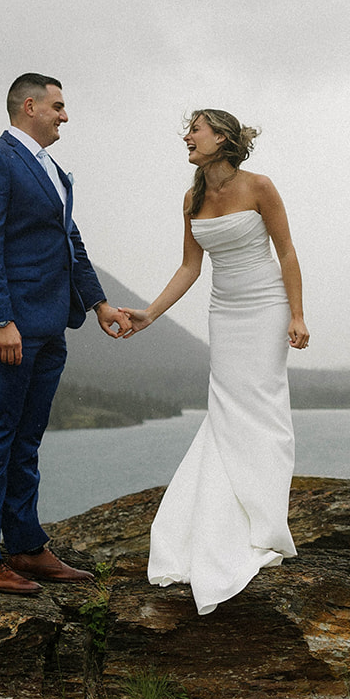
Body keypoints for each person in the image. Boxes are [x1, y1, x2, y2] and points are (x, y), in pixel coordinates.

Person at [0, 73, 133, 594]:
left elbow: (70, 242)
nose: (64, 116)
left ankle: (26, 548)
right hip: (11, 326)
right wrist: (1, 319)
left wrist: (98, 303)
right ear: (29, 106)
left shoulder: (52, 169)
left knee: (26, 438)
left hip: (51, 324)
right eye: (58, 106)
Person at [120, 109, 309, 614]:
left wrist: (297, 314)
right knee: (226, 411)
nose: (186, 136)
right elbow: (190, 266)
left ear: (221, 139)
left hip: (267, 306)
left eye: (195, 130)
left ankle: (265, 522)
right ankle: (218, 522)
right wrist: (149, 315)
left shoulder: (260, 187)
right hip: (224, 313)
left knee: (263, 407)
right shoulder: (192, 199)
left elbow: (286, 252)